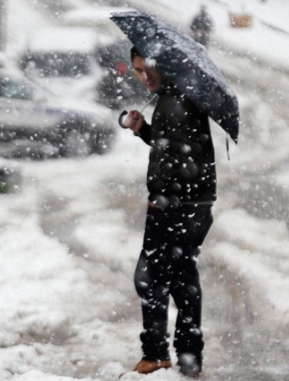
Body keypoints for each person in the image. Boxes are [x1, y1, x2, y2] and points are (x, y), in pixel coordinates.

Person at [120, 46, 216, 378]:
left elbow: (181, 157)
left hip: (176, 208)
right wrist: (144, 130)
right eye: (137, 71)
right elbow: (176, 148)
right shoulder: (178, 98)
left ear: (162, 65)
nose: (144, 77)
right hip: (196, 206)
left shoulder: (175, 102)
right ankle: (189, 358)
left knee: (149, 278)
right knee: (182, 277)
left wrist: (162, 197)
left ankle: (156, 356)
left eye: (148, 69)